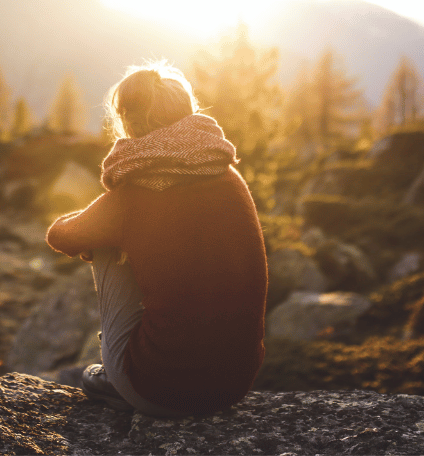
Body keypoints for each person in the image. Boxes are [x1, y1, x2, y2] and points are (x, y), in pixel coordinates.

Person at [45, 61, 268, 417]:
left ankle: (118, 373)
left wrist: (108, 229)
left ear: (131, 123)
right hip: (234, 385)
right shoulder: (228, 175)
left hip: (158, 391)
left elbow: (61, 236)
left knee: (104, 240)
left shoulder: (134, 192)